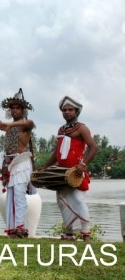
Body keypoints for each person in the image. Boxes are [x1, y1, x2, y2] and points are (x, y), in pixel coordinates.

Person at [41, 96, 98, 242]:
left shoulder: (82, 128)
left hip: (76, 171)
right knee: (62, 202)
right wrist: (46, 166)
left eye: (70, 110)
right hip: (61, 172)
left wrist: (83, 165)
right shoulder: (61, 129)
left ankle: (86, 233)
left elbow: (93, 147)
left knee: (78, 200)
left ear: (76, 111)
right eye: (64, 110)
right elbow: (57, 151)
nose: (67, 112)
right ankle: (69, 233)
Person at [0, 88, 35, 239]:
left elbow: (30, 122)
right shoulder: (9, 126)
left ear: (23, 110)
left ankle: (20, 228)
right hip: (9, 164)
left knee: (19, 195)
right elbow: (0, 124)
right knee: (11, 196)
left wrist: (9, 124)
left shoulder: (26, 125)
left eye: (17, 108)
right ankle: (14, 228)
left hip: (22, 162)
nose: (14, 110)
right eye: (12, 108)